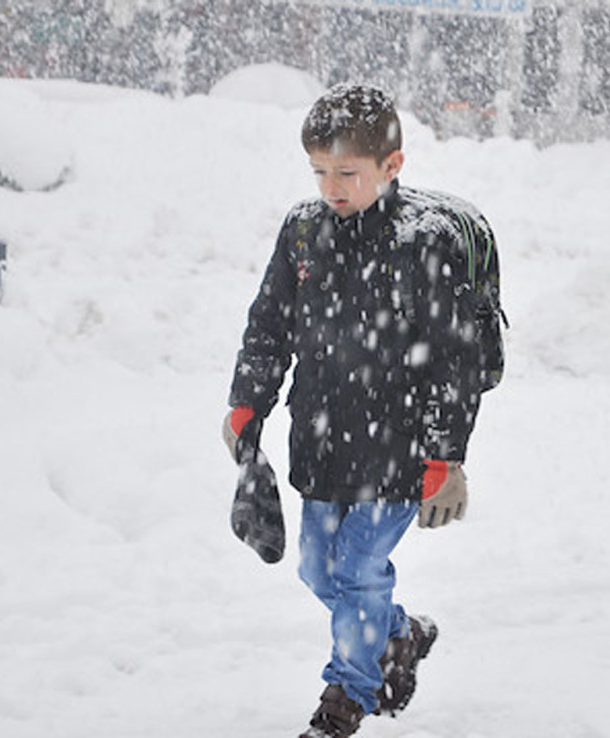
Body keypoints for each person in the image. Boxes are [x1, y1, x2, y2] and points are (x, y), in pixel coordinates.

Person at [223, 84, 499, 737]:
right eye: (319, 171)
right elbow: (269, 327)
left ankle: (347, 693)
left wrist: (444, 455)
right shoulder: (303, 231)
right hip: (322, 438)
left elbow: (453, 359)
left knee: (357, 569)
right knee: (318, 568)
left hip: (398, 443)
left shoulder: (423, 241)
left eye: (347, 172)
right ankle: (398, 634)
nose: (331, 187)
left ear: (391, 165)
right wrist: (247, 403)